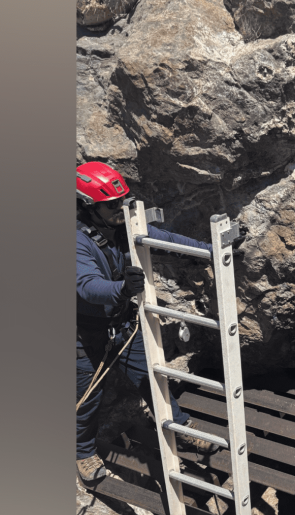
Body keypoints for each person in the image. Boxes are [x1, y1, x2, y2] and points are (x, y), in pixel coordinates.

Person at [75, 161, 215, 483]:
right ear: (88, 206)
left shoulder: (120, 225)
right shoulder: (76, 241)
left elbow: (162, 239)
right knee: (88, 397)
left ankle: (179, 424)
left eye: (121, 202)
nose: (119, 209)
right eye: (111, 204)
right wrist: (122, 289)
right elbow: (86, 285)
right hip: (86, 335)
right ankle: (83, 452)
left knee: (154, 377)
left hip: (123, 327)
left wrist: (211, 251)